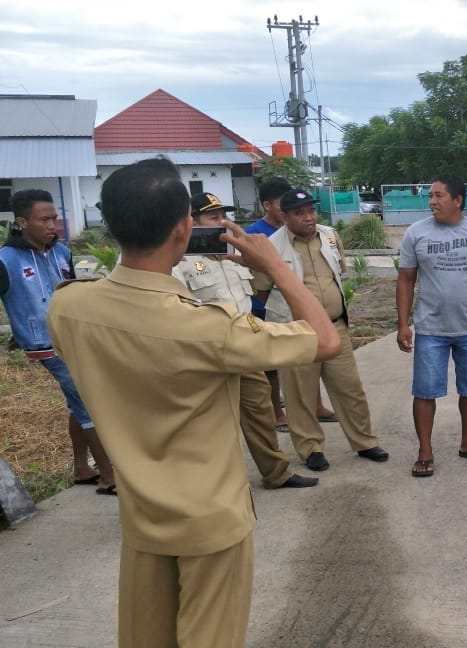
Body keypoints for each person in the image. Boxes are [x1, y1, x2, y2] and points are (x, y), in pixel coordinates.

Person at [46, 157, 341, 647]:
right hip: (209, 519)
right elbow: (325, 340)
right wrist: (273, 266)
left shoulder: (69, 306)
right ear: (184, 228)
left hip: (142, 516)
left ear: (110, 224)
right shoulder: (207, 326)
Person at [173, 192, 317, 489]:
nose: (222, 223)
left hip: (243, 347)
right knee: (210, 422)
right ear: (193, 222)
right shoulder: (183, 262)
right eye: (214, 217)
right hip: (208, 354)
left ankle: (277, 473)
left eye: (225, 216)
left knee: (260, 410)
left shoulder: (234, 257)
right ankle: (215, 482)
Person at [252, 188, 390, 472]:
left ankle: (364, 441)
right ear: (285, 216)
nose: (308, 218)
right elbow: (262, 292)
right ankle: (310, 448)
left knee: (350, 389)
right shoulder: (272, 247)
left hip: (335, 325)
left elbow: (338, 272)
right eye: (300, 214)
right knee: (300, 394)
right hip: (296, 332)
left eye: (311, 211)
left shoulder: (329, 235)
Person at [0, 189, 116, 494]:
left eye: (54, 218)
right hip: (47, 346)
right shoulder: (6, 261)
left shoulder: (62, 253)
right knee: (89, 402)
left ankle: (81, 468)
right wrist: (21, 328)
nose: (53, 225)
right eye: (45, 219)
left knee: (79, 402)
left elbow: (71, 292)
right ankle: (110, 477)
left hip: (76, 338)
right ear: (23, 222)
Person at [396, 174, 467, 477]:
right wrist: (403, 324)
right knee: (425, 390)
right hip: (430, 329)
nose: (432, 201)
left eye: (439, 196)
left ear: (458, 200)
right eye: (430, 196)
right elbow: (406, 279)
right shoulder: (416, 233)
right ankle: (425, 450)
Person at [247, 177, 337, 431]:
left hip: (303, 311)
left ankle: (317, 406)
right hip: (267, 308)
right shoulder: (256, 234)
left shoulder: (306, 233)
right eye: (280, 202)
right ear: (268, 205)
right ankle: (278, 413)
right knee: (275, 367)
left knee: (312, 359)